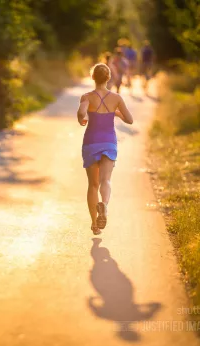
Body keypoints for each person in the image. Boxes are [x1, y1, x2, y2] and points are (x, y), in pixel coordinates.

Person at [76, 63, 134, 235]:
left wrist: (82, 119)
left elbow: (81, 113)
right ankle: (105, 207)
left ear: (93, 77)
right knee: (105, 180)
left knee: (92, 185)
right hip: (109, 142)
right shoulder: (116, 98)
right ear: (109, 77)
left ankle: (94, 224)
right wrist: (115, 113)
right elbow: (130, 120)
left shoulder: (86, 96)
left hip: (91, 142)